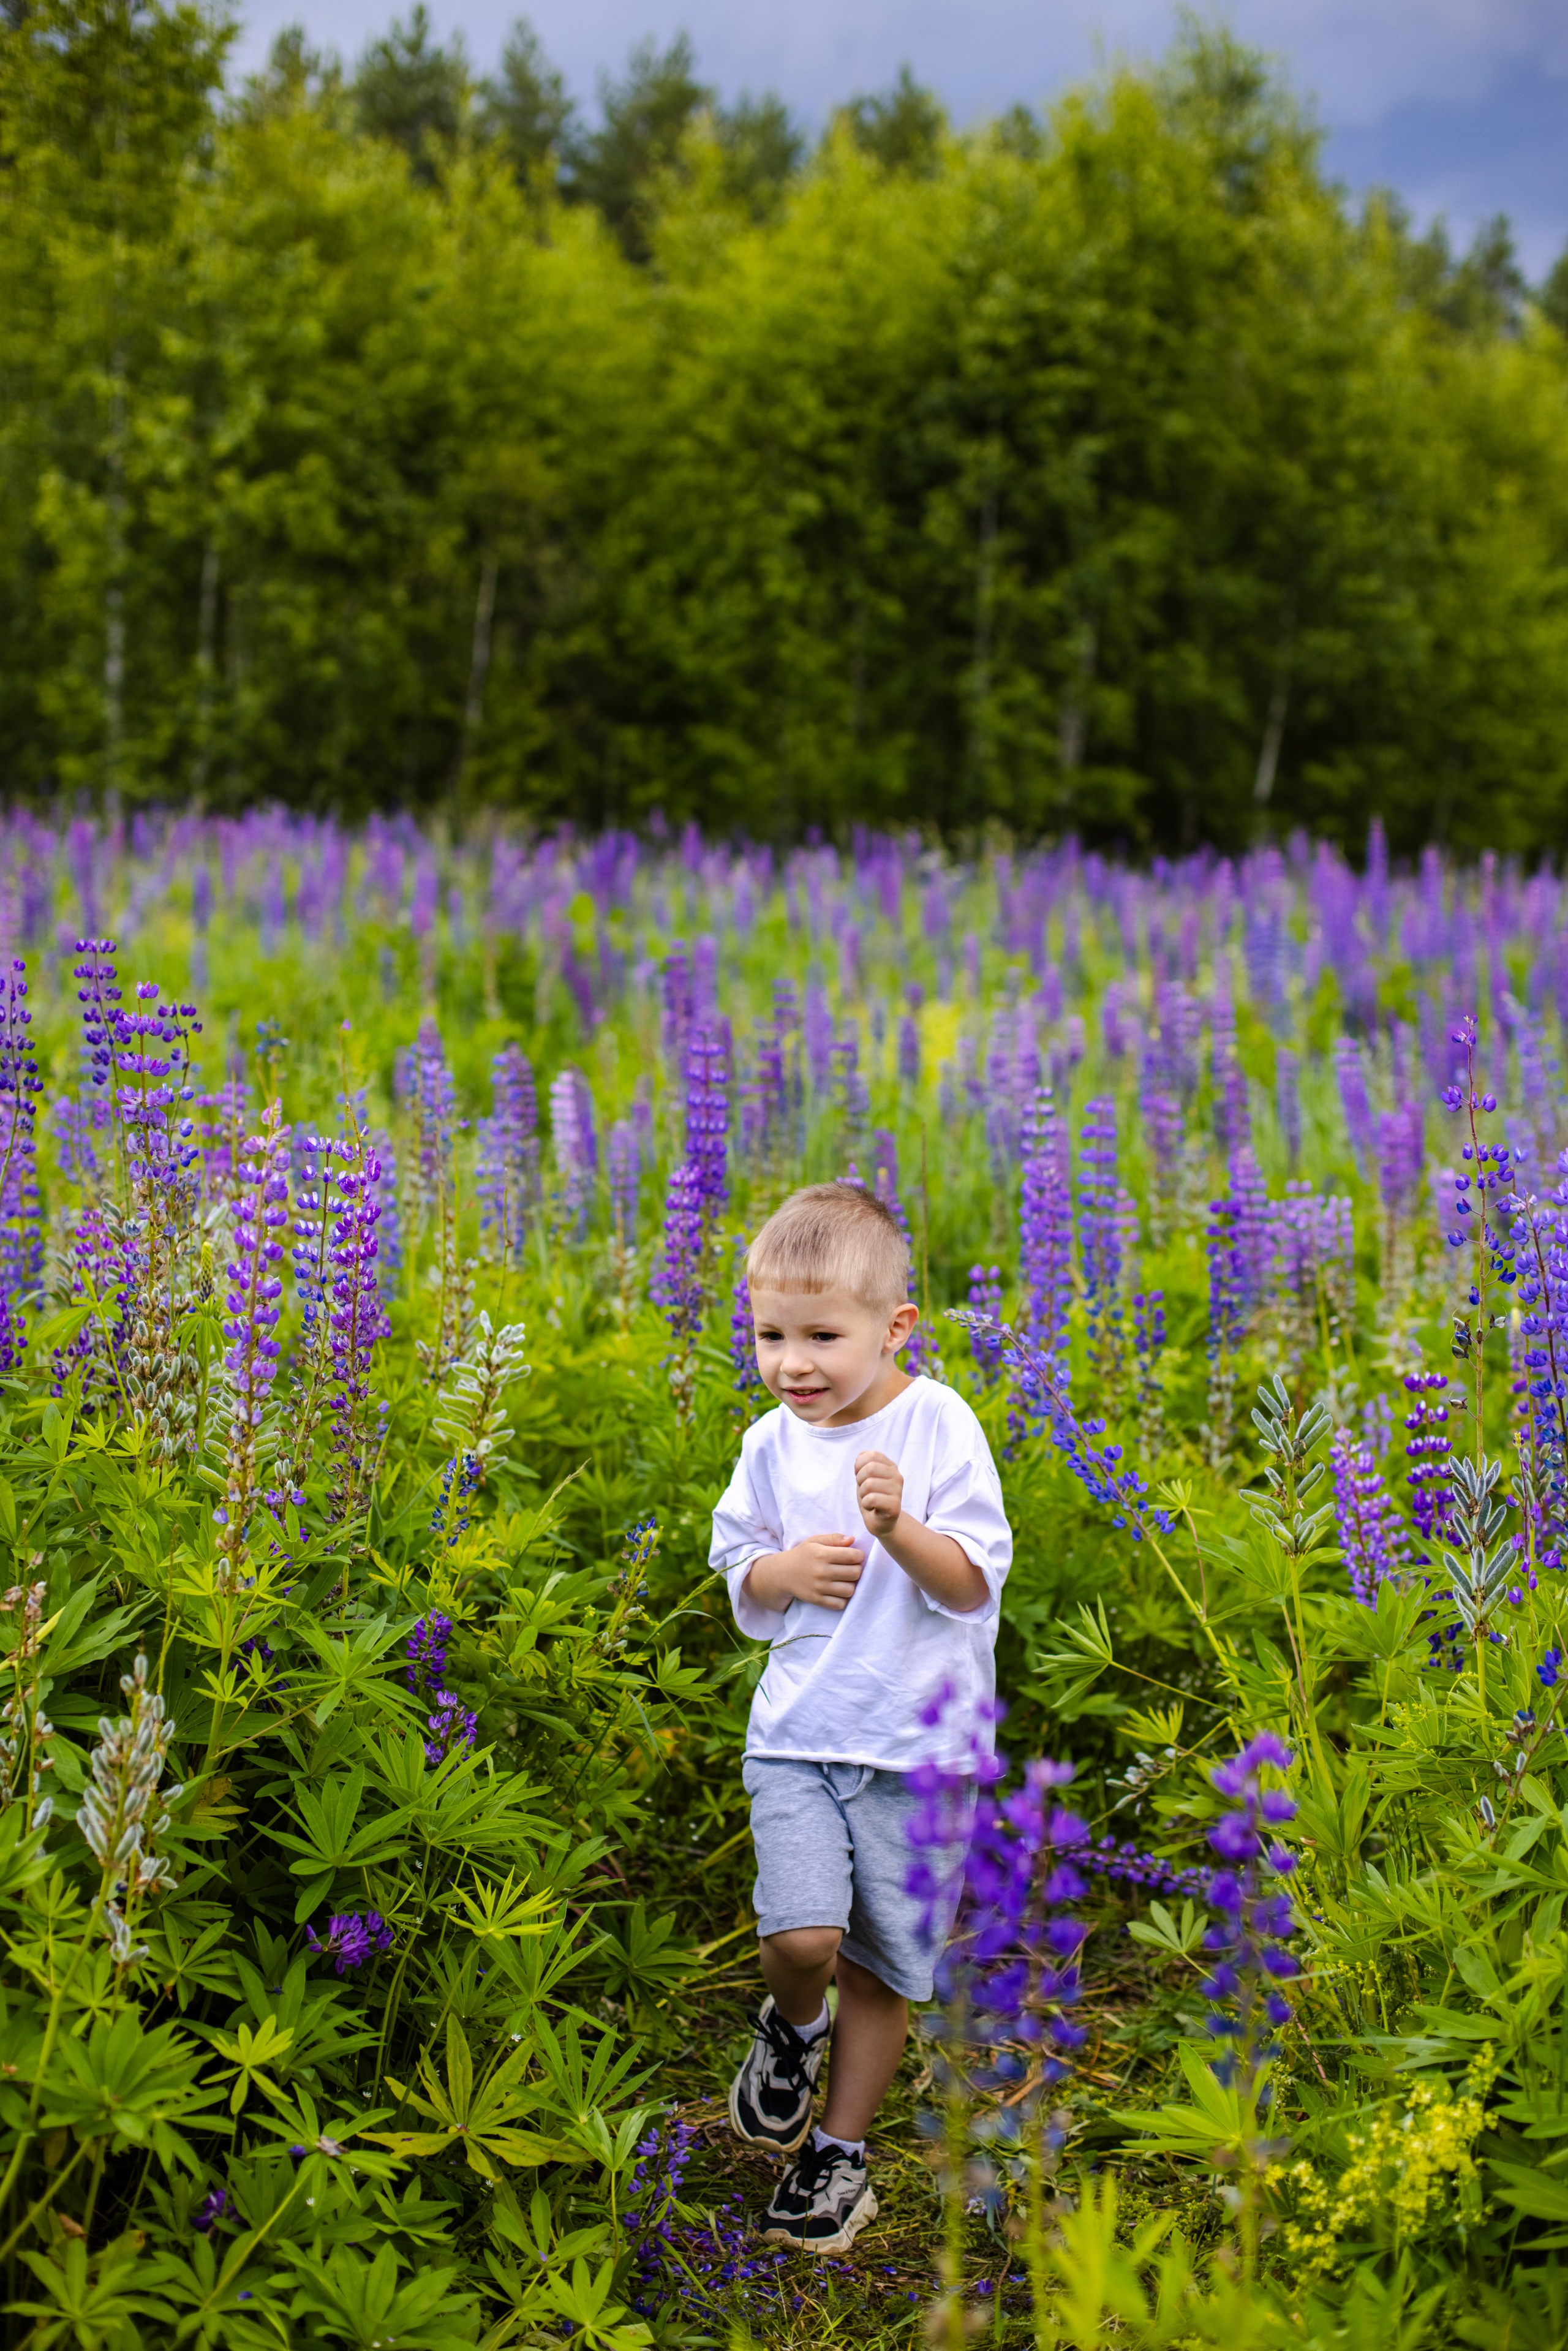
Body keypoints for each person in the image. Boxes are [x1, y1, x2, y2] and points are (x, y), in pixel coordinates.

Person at [709, 1180, 1012, 2254]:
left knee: (884, 1961)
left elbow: (973, 1583)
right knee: (802, 1935)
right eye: (770, 1334)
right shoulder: (768, 1443)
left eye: (822, 1335)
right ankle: (794, 2025)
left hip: (919, 1749)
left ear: (895, 1328)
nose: (793, 1362)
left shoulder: (937, 1423)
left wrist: (899, 1529)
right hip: (797, 1732)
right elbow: (740, 1566)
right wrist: (781, 1568)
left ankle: (837, 2154)